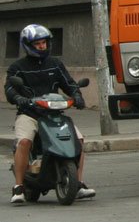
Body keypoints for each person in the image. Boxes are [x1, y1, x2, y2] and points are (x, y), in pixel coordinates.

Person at [5, 25, 95, 204]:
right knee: (24, 141)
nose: (41, 46)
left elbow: (69, 84)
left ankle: (77, 183)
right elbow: (9, 89)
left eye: (44, 42)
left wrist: (77, 96)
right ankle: (19, 187)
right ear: (28, 45)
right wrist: (19, 98)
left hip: (54, 115)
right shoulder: (17, 67)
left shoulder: (55, 64)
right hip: (29, 114)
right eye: (37, 43)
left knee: (79, 139)